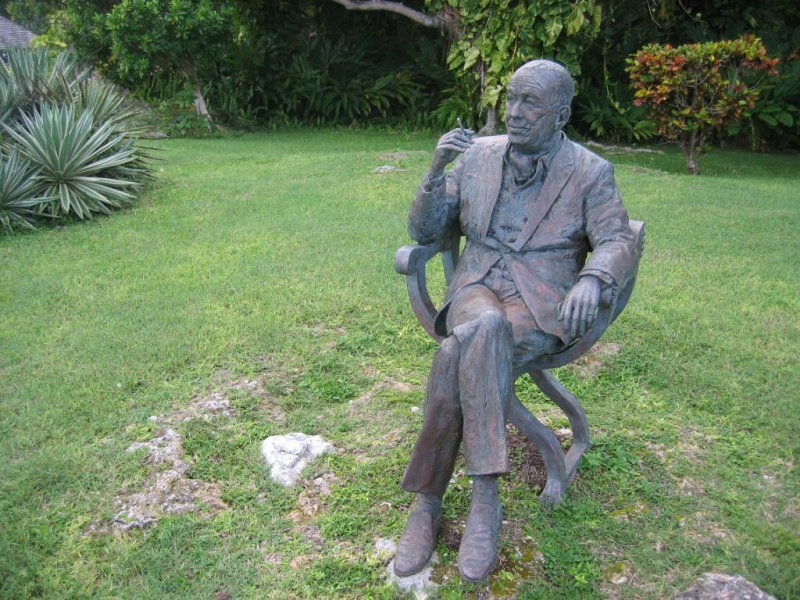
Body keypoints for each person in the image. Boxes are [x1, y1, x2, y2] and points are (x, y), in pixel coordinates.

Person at [394, 59, 637, 583]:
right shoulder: (477, 156)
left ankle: (428, 502)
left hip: (540, 304)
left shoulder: (591, 171)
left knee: (458, 348)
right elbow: (423, 230)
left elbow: (618, 238)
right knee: (484, 326)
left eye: (531, 103)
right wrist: (435, 171)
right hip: (476, 289)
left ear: (561, 114)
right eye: (512, 99)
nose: (515, 112)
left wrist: (594, 278)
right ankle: (485, 498)